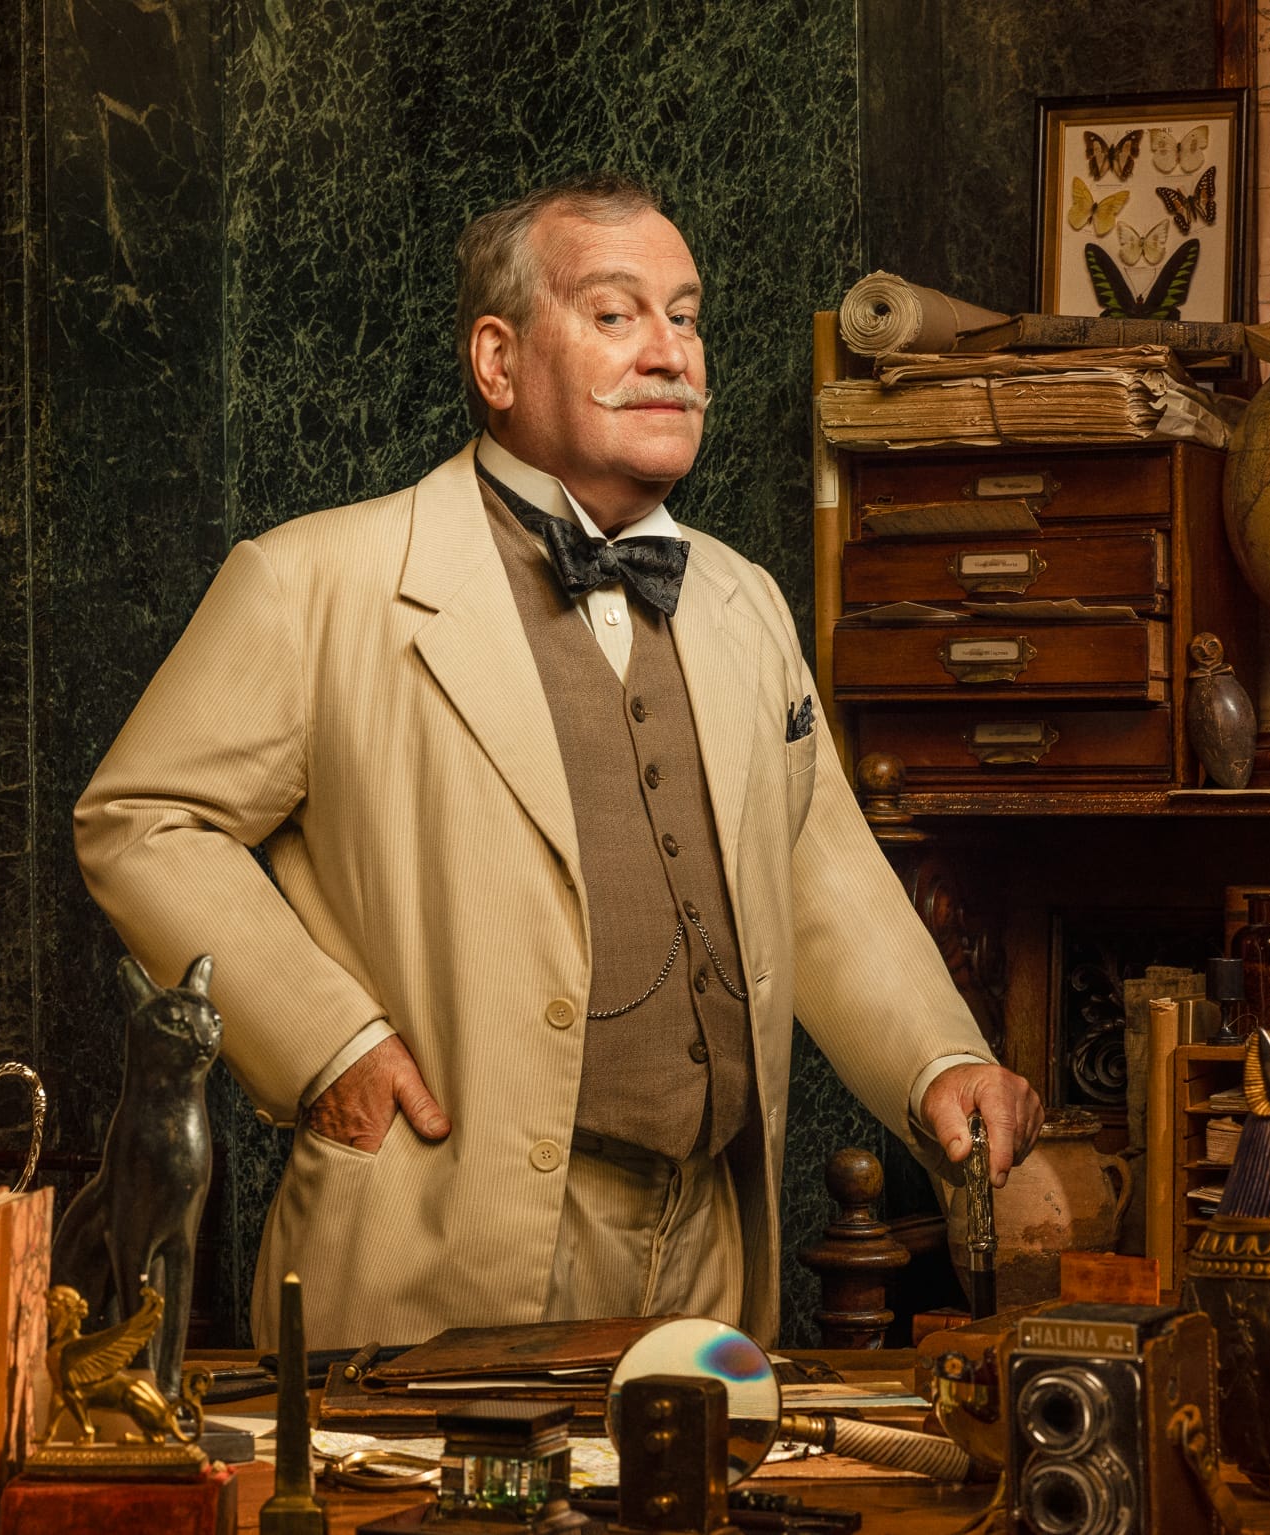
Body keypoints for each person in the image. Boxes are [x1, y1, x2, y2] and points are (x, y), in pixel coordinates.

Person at [75, 173, 1042, 1349]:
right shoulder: (314, 581)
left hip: (709, 1232)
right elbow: (140, 815)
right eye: (614, 313)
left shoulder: (743, 599)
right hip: (443, 1221)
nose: (669, 354)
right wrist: (325, 1042)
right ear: (496, 362)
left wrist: (936, 1060)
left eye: (684, 317)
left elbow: (813, 866)